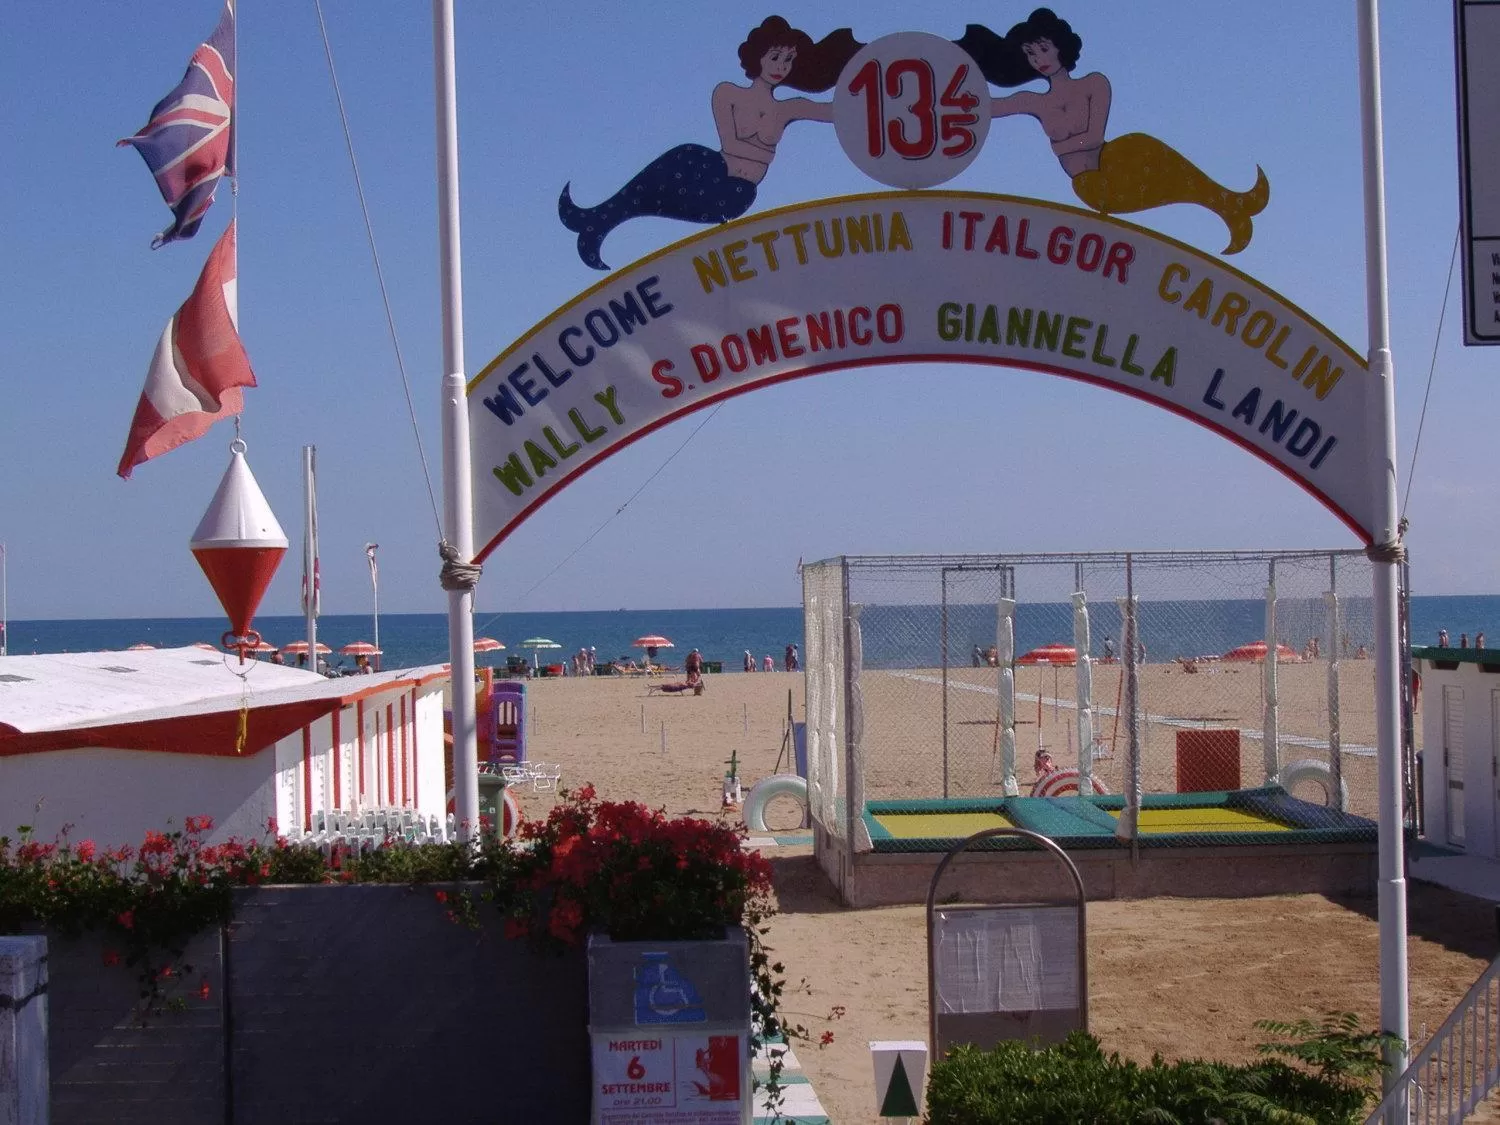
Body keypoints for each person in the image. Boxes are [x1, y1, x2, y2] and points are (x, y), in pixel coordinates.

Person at [958, 9, 1269, 254]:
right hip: (1091, 185)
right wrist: (952, 71)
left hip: (1116, 161)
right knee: (1166, 185)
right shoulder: (1034, 102)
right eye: (1030, 53)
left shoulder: (1094, 84)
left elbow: (1094, 138)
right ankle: (1231, 206)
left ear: (1060, 48)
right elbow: (987, 107)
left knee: (1163, 164)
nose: (1039, 59)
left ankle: (1231, 203)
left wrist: (1061, 147)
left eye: (1043, 48)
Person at [559, 17, 859, 269]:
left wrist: (866, 69)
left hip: (736, 194)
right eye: (775, 57)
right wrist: (758, 153)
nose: (781, 66)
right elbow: (730, 143)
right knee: (669, 168)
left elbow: (835, 110)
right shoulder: (727, 94)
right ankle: (596, 221)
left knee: (664, 196)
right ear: (758, 57)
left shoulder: (788, 108)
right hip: (711, 171)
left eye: (789, 60)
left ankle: (596, 221)